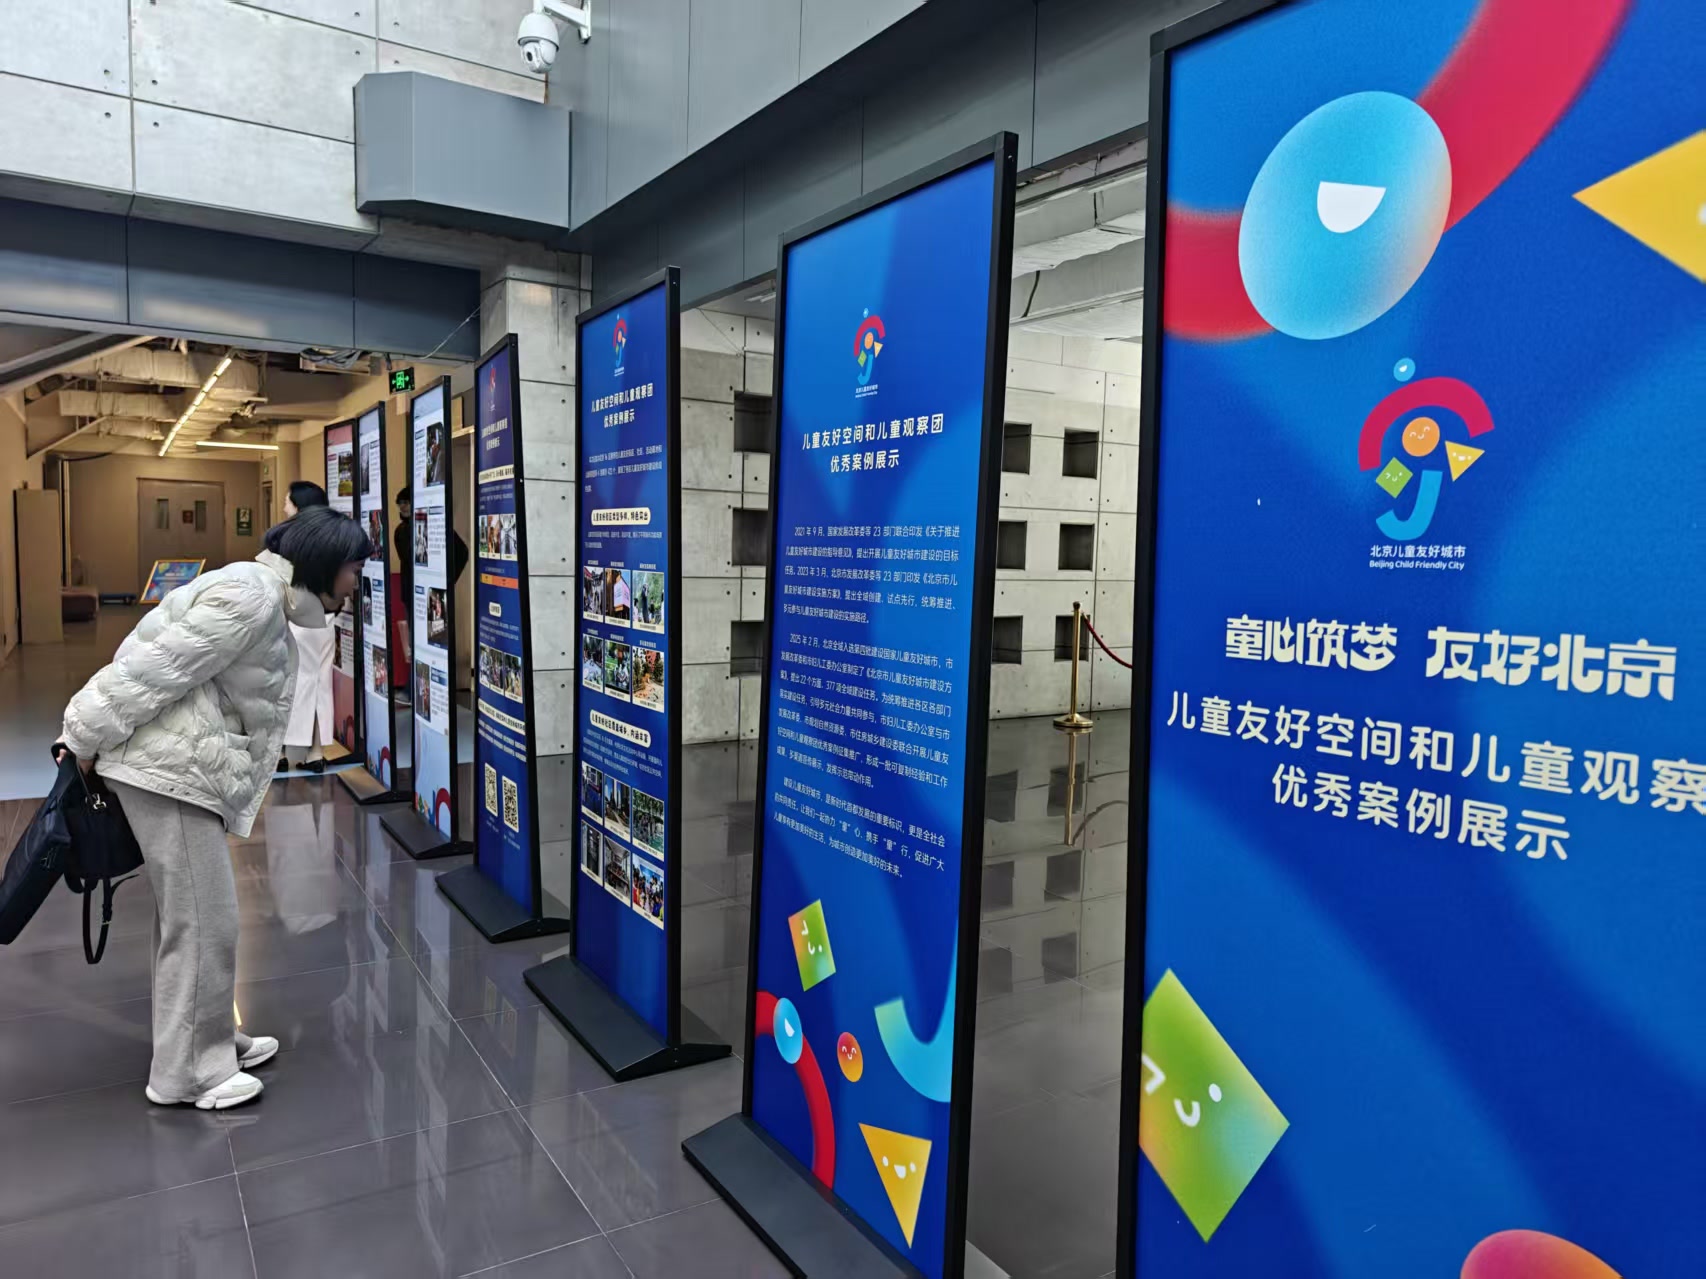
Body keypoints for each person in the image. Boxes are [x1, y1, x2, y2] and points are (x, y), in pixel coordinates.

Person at [58, 506, 371, 1110]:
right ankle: (192, 1073)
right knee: (206, 921)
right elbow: (148, 671)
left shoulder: (260, 594)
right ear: (325, 563)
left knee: (193, 917)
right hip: (168, 773)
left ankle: (211, 1038)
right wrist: (79, 737)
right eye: (354, 570)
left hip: (178, 766)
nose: (355, 584)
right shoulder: (252, 598)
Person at [279, 482, 336, 774]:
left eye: (287, 502)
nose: (284, 508)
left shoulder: (289, 536)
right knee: (319, 683)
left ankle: (281, 752)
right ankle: (315, 752)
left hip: (297, 618)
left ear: (299, 506)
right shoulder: (334, 534)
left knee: (287, 683)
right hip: (325, 620)